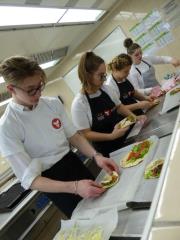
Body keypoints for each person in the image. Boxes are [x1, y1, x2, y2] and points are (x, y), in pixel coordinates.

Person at [0, 56, 120, 218]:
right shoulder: (6, 127)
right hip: (53, 181)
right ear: (11, 89)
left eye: (40, 86)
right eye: (30, 90)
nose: (38, 93)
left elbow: (74, 136)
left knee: (107, 204)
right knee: (89, 220)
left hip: (73, 163)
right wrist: (75, 187)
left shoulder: (51, 104)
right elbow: (31, 180)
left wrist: (96, 156)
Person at [71, 52, 146, 157]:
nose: (104, 79)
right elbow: (86, 134)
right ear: (87, 76)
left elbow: (119, 107)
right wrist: (111, 136)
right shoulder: (79, 104)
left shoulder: (106, 89)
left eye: (104, 75)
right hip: (109, 150)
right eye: (100, 76)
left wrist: (135, 118)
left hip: (126, 137)